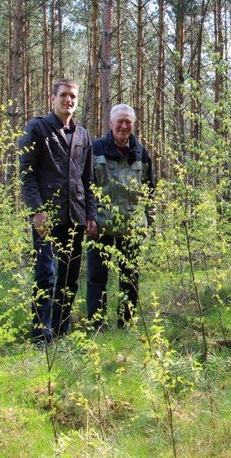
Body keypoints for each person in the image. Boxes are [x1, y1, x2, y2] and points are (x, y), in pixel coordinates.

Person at [19, 78, 98, 344]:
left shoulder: (83, 135)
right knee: (46, 275)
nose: (69, 101)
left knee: (69, 277)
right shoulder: (38, 129)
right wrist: (37, 211)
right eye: (64, 95)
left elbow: (88, 181)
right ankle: (41, 336)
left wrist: (91, 215)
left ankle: (61, 330)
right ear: (53, 98)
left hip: (75, 217)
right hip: (48, 218)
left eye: (73, 97)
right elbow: (27, 175)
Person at [86, 104, 155, 330]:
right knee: (97, 278)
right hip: (100, 226)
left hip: (132, 227)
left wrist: (148, 222)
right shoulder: (95, 149)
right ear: (110, 124)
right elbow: (85, 187)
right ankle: (97, 326)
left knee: (130, 278)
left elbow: (150, 190)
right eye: (120, 121)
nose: (124, 126)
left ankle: (126, 324)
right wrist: (89, 218)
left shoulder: (141, 153)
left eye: (129, 122)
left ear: (133, 125)